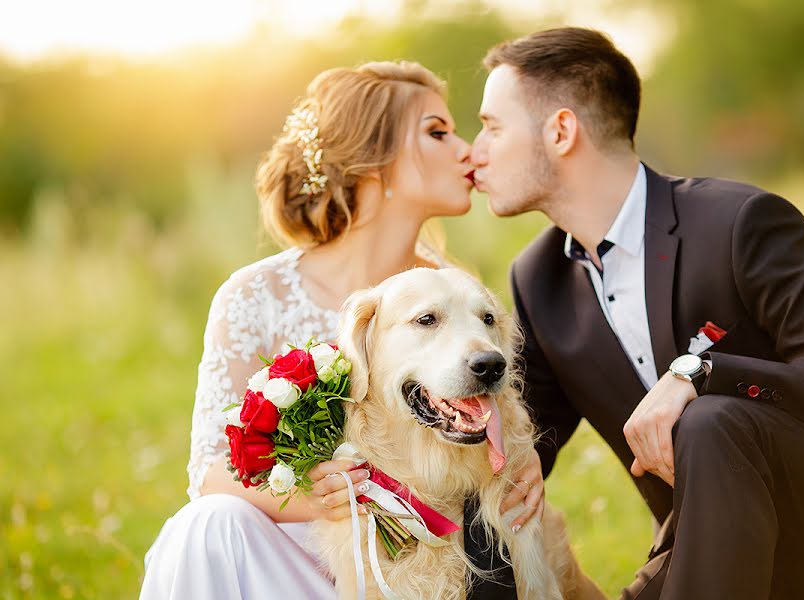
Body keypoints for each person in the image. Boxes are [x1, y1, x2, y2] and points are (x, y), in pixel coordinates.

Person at [470, 27, 804, 600]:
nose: (475, 152)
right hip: (709, 551)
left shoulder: (738, 222)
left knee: (709, 419)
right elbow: (521, 450)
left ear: (561, 130)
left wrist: (700, 374)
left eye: (491, 127)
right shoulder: (537, 278)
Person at [140, 60, 543, 599]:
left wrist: (515, 456)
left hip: (419, 564)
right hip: (291, 557)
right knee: (208, 524)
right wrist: (323, 497)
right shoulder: (256, 295)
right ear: (373, 158)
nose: (467, 150)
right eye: (437, 132)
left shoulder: (455, 293)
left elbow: (478, 426)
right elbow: (210, 473)